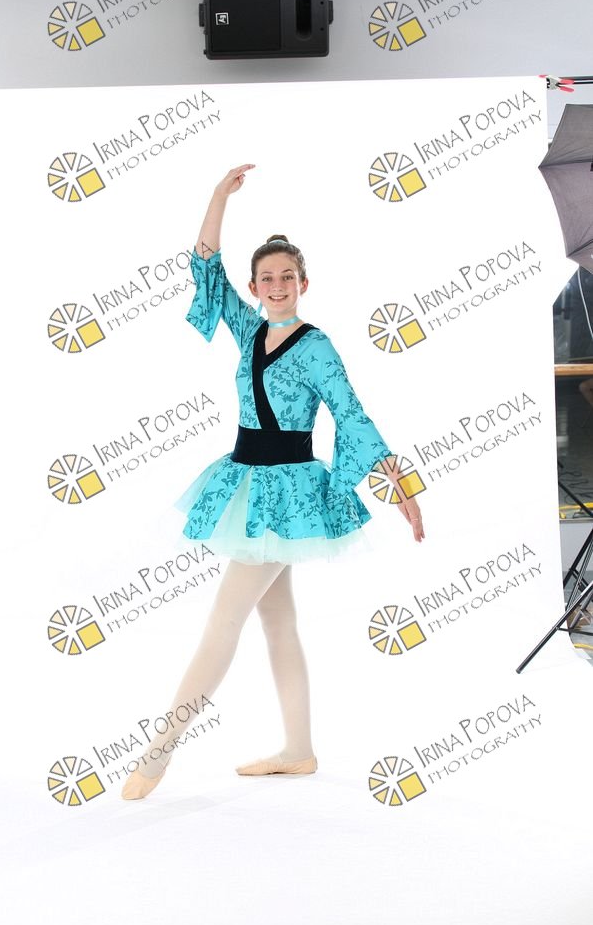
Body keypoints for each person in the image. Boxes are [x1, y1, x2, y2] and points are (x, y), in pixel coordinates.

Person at [121, 164, 424, 800]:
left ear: (303, 283)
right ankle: (299, 750)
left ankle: (158, 751)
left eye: (288, 276)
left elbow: (351, 414)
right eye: (267, 278)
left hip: (285, 494)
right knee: (277, 622)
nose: (278, 285)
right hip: (245, 480)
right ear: (255, 287)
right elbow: (206, 266)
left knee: (222, 622)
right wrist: (217, 198)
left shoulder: (316, 345)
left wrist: (401, 487)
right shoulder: (250, 329)